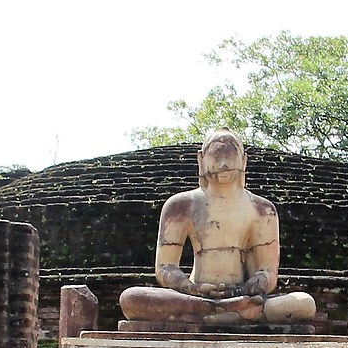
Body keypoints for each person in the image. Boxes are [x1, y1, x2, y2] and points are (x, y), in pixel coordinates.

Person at [118, 132, 318, 326]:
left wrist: (244, 290)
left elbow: (268, 272)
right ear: (201, 159)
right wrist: (191, 288)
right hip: (195, 295)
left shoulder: (262, 209)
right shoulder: (180, 205)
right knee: (131, 298)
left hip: (242, 295)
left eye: (230, 156)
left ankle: (221, 312)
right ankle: (228, 312)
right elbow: (164, 267)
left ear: (243, 161)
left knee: (304, 303)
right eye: (216, 155)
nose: (224, 164)